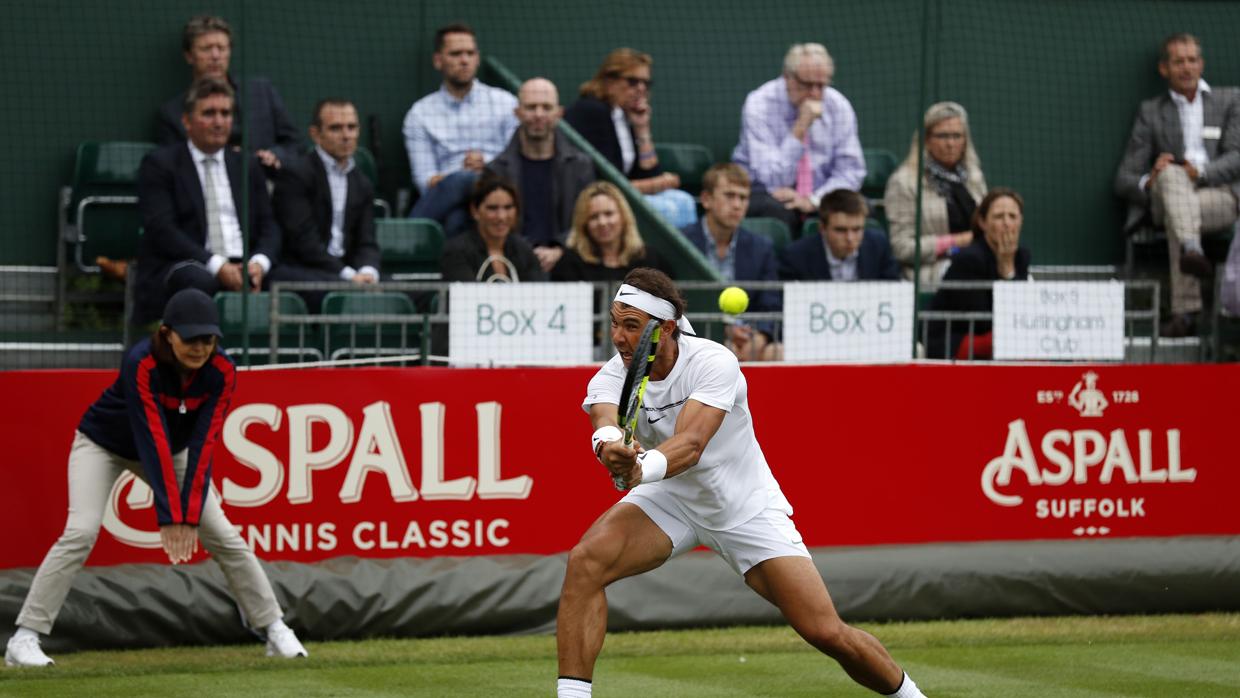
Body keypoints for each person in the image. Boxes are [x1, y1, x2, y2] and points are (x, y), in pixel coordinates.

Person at [555, 267, 926, 698]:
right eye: (615, 324)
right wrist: (609, 447)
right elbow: (604, 423)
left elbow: (691, 444)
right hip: (671, 498)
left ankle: (910, 696)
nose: (619, 337)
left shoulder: (714, 362)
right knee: (586, 563)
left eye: (631, 326)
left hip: (743, 505)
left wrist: (639, 468)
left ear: (666, 329)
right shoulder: (611, 374)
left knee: (826, 632)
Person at [4, 289, 307, 667]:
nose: (199, 348)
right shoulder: (141, 362)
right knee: (80, 532)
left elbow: (204, 443)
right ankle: (24, 638)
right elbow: (152, 435)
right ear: (167, 333)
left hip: (174, 451)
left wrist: (188, 512)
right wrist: (169, 515)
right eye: (191, 338)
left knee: (225, 535)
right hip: (102, 445)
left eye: (208, 339)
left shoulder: (223, 372)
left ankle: (275, 629)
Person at [1114, 33, 1240, 338]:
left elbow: (1238, 156)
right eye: (1178, 61)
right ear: (1164, 69)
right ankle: (1192, 248)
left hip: (1219, 197)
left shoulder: (1230, 100)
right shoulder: (1151, 112)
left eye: (1192, 60)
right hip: (1165, 194)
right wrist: (1152, 178)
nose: (1186, 67)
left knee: (1178, 212)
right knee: (1171, 177)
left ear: (1202, 64)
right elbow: (1124, 179)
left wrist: (1201, 172)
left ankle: (1185, 312)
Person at [135, 77, 282, 327]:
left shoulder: (247, 165)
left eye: (225, 113)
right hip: (190, 263)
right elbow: (162, 230)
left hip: (246, 264)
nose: (218, 122)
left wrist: (259, 263)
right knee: (199, 281)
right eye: (209, 113)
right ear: (186, 121)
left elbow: (270, 225)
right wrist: (217, 265)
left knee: (296, 282)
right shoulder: (160, 164)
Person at [732, 43, 865, 232]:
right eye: (807, 85)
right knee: (778, 211)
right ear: (787, 77)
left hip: (819, 193)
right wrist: (801, 127)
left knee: (860, 209)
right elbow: (772, 178)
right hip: (765, 190)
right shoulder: (759, 104)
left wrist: (814, 200)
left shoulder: (839, 106)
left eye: (821, 85)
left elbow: (851, 171)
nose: (815, 94)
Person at [404, 23, 518, 235]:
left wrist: (487, 166)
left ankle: (407, 236)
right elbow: (425, 181)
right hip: (445, 197)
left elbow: (515, 164)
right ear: (438, 60)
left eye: (470, 53)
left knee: (458, 211)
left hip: (498, 193)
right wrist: (459, 176)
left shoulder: (506, 103)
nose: (464, 60)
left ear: (477, 58)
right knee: (459, 206)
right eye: (456, 54)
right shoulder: (419, 114)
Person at [563, 48, 697, 229]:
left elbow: (649, 173)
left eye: (646, 83)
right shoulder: (592, 111)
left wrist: (642, 128)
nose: (641, 89)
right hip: (592, 201)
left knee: (684, 200)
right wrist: (656, 184)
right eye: (633, 81)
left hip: (620, 198)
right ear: (609, 81)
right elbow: (608, 183)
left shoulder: (623, 115)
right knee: (670, 208)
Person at [270, 98, 381, 313]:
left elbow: (367, 241)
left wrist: (368, 272)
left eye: (352, 127)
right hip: (304, 270)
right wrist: (349, 276)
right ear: (315, 134)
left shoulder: (362, 182)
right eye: (336, 128)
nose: (346, 135)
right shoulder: (295, 174)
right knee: (339, 293)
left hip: (348, 272)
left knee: (411, 292)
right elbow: (303, 242)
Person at [155, 15, 300, 176]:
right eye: (206, 49)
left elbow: (294, 143)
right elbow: (173, 165)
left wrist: (275, 156)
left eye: (222, 48)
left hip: (266, 183)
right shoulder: (172, 113)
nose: (215, 56)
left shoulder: (261, 91)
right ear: (189, 56)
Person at [486, 78, 597, 274]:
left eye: (546, 107)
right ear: (517, 113)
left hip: (569, 265)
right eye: (531, 107)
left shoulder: (581, 167)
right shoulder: (496, 170)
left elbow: (587, 219)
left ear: (559, 114)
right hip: (513, 265)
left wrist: (560, 248)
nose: (538, 114)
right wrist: (524, 252)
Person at [680, 164, 781, 361]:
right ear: (707, 199)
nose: (737, 205)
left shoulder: (761, 248)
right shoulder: (681, 242)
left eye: (743, 198)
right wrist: (723, 331)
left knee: (778, 351)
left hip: (748, 338)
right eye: (729, 196)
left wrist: (760, 336)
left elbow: (771, 304)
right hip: (697, 337)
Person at [883, 101, 987, 285]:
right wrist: (957, 242)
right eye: (943, 136)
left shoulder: (974, 178)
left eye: (957, 136)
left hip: (978, 262)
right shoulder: (904, 182)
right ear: (926, 140)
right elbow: (901, 247)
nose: (950, 143)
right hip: (931, 270)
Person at [925, 188, 1031, 360]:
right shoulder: (969, 259)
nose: (1006, 223)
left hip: (999, 340)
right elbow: (982, 322)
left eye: (1013, 216)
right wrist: (1004, 270)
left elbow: (1018, 313)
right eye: (998, 216)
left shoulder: (1021, 256)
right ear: (983, 222)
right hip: (954, 340)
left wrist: (1008, 268)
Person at [551, 182, 669, 282]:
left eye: (609, 214)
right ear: (584, 223)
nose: (602, 222)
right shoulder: (569, 263)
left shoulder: (649, 259)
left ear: (623, 216)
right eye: (593, 217)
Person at [440, 175, 546, 282]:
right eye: (492, 208)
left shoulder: (523, 249)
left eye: (508, 207)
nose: (501, 217)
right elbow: (466, 296)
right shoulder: (457, 251)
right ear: (475, 211)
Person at [780, 189, 900, 281]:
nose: (850, 238)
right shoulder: (796, 256)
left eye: (857, 229)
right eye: (840, 230)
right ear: (822, 228)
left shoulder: (878, 247)